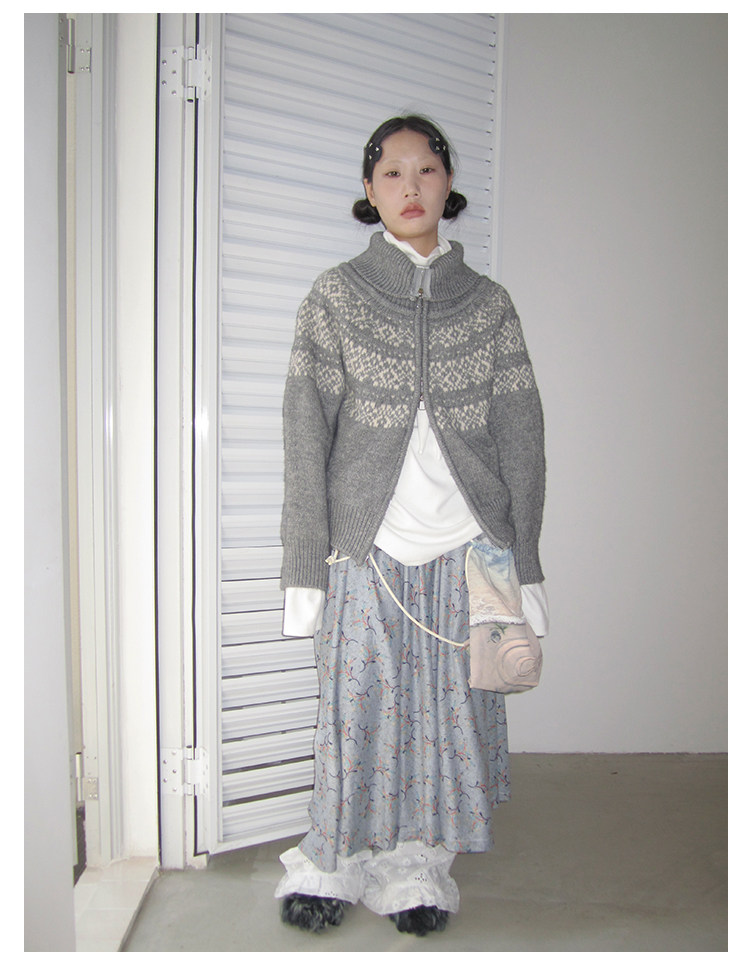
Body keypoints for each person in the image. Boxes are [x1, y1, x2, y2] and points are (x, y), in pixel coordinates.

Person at [274, 115, 547, 937]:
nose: (410, 186)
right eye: (391, 172)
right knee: (356, 709)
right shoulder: (334, 297)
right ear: (370, 189)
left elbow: (522, 436)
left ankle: (417, 862)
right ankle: (334, 858)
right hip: (368, 545)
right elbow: (304, 435)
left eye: (426, 169)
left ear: (448, 182)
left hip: (470, 544)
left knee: (445, 712)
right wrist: (304, 567)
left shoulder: (490, 307)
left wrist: (527, 563)